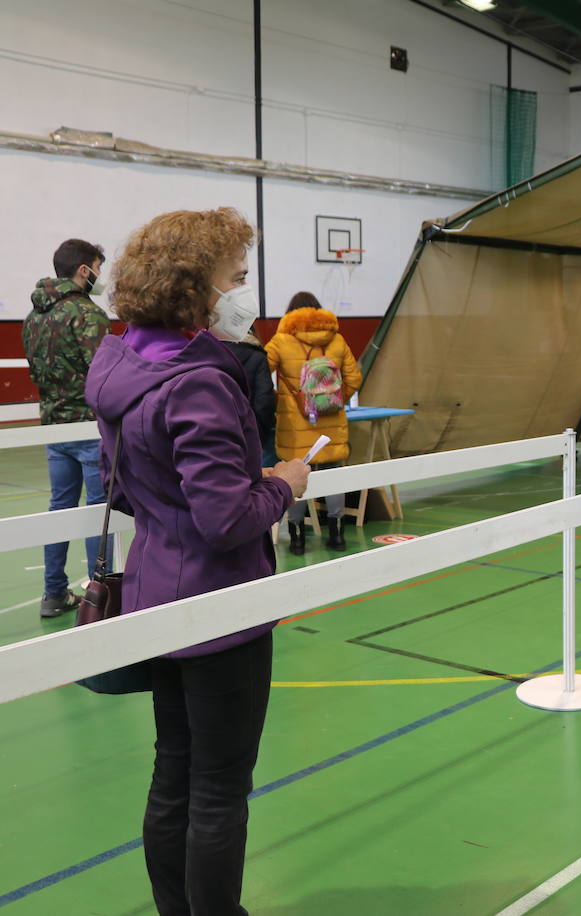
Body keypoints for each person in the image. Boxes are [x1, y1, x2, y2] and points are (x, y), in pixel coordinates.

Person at [84, 207, 310, 916]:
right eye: (236, 279)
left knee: (174, 771)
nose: (244, 293)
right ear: (195, 288)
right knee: (218, 789)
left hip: (155, 591)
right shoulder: (200, 382)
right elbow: (227, 520)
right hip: (219, 608)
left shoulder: (117, 361)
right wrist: (284, 483)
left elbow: (118, 485)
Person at [23, 238, 111, 619]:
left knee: (59, 509)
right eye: (97, 267)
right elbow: (104, 375)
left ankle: (54, 593)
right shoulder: (88, 314)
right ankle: (101, 597)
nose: (100, 276)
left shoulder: (33, 317)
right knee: (96, 511)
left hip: (52, 427)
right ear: (82, 270)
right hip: (88, 426)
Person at [266, 292, 362, 554]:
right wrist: (333, 401)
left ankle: (297, 540)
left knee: (293, 476)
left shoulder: (281, 341)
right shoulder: (337, 339)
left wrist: (283, 401)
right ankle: (337, 535)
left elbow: (260, 376)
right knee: (333, 476)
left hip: (296, 428)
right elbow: (354, 379)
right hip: (332, 424)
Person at [218, 327, 276, 467]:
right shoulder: (256, 355)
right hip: (252, 434)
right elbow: (264, 401)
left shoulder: (207, 353)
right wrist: (260, 436)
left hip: (217, 432)